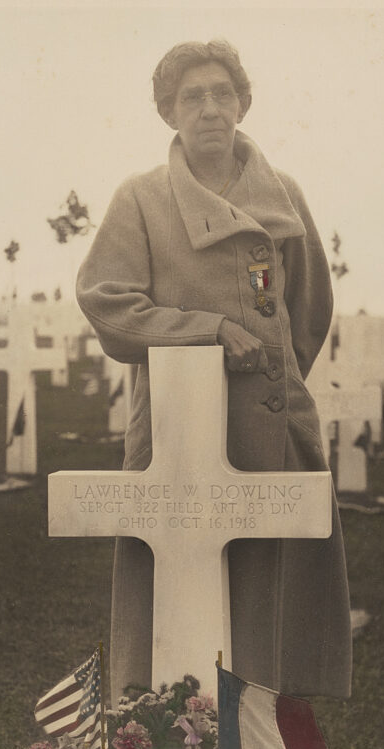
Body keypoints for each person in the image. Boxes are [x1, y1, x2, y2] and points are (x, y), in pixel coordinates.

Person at [76, 39, 352, 704]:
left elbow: (307, 312)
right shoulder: (140, 199)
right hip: (176, 434)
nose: (208, 108)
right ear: (169, 113)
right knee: (174, 604)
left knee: (264, 606)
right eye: (191, 97)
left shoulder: (283, 195)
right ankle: (164, 747)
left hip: (267, 429)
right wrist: (207, 332)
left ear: (242, 103)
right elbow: (108, 304)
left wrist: (271, 386)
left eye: (221, 93)